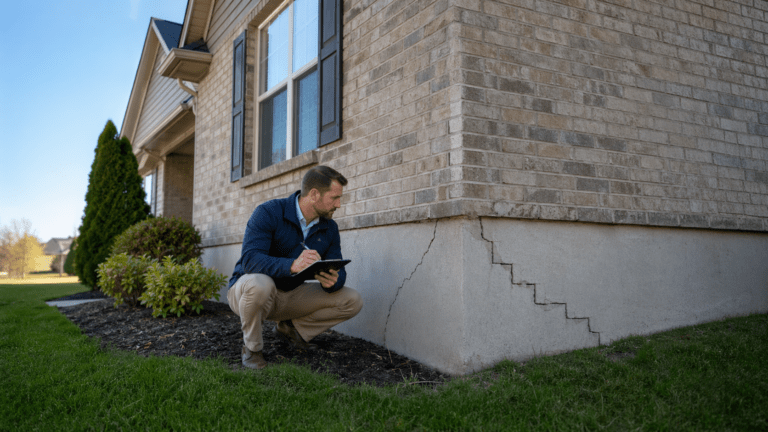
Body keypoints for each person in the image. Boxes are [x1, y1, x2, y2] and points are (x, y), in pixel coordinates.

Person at [227, 165, 363, 369]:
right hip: (249, 293)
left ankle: (291, 330)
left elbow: (338, 266)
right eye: (334, 198)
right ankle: (252, 348)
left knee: (352, 300)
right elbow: (250, 260)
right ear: (314, 194)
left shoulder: (329, 227)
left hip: (289, 295)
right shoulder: (269, 212)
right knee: (260, 284)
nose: (339, 204)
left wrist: (334, 281)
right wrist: (292, 265)